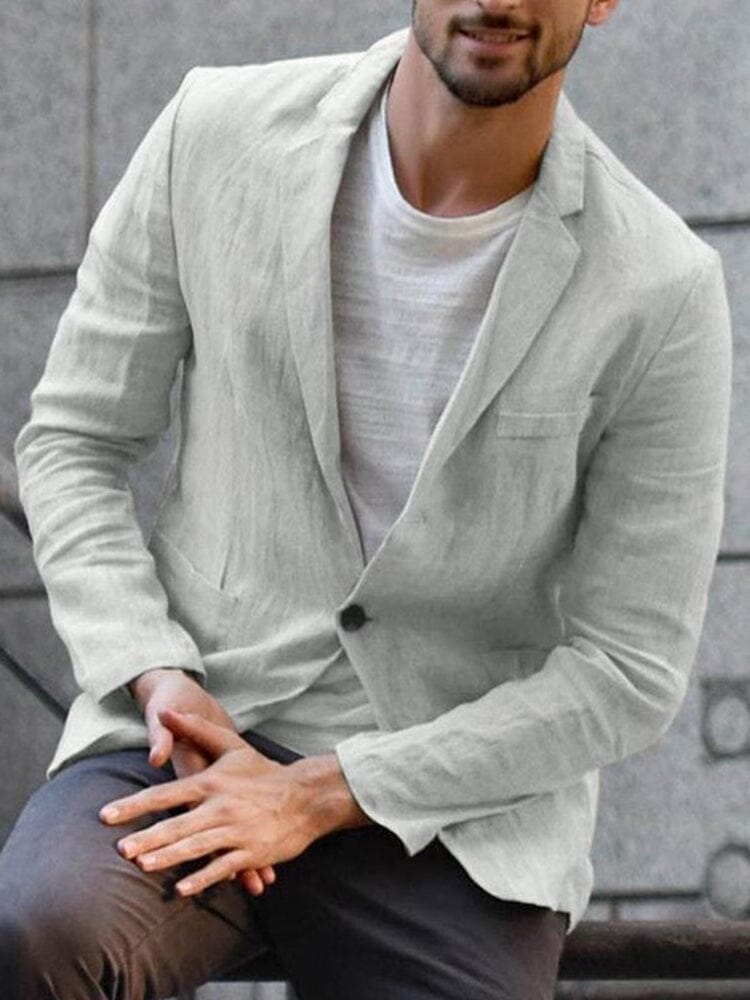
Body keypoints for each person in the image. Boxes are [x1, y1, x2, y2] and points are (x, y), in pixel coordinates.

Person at [0, 0, 733, 997]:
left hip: (450, 811)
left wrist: (327, 791)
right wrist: (152, 666)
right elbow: (74, 442)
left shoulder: (660, 288)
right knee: (39, 936)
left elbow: (627, 670)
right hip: (190, 731)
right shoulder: (214, 133)